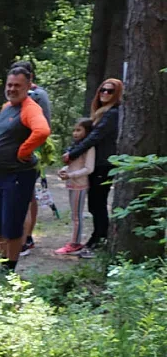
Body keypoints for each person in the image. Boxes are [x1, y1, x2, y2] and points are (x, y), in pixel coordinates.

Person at [0, 66, 50, 272]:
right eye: (9, 85)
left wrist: (23, 152)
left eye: (17, 85)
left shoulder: (30, 107)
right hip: (1, 174)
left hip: (18, 175)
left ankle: (9, 269)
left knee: (12, 223)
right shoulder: (7, 107)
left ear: (28, 86)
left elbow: (42, 130)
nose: (12, 89)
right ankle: (2, 260)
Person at [64, 78, 123, 252]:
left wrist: (72, 154)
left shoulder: (113, 113)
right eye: (103, 90)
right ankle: (99, 236)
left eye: (110, 91)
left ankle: (99, 238)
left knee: (97, 202)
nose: (105, 93)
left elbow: (95, 136)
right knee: (95, 203)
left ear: (116, 94)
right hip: (97, 163)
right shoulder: (101, 113)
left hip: (104, 164)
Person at [11, 60, 52, 256]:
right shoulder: (15, 100)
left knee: (27, 198)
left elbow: (42, 128)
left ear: (29, 79)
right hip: (20, 155)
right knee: (27, 197)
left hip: (29, 154)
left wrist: (24, 151)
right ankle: (24, 236)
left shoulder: (37, 96)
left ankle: (26, 238)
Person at [55, 118, 95, 257]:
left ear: (87, 131)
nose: (75, 133)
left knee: (77, 216)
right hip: (72, 184)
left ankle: (75, 244)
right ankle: (74, 242)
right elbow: (73, 164)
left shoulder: (89, 148)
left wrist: (71, 174)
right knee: (74, 215)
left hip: (80, 185)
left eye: (79, 130)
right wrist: (64, 170)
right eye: (74, 130)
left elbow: (89, 168)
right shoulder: (76, 147)